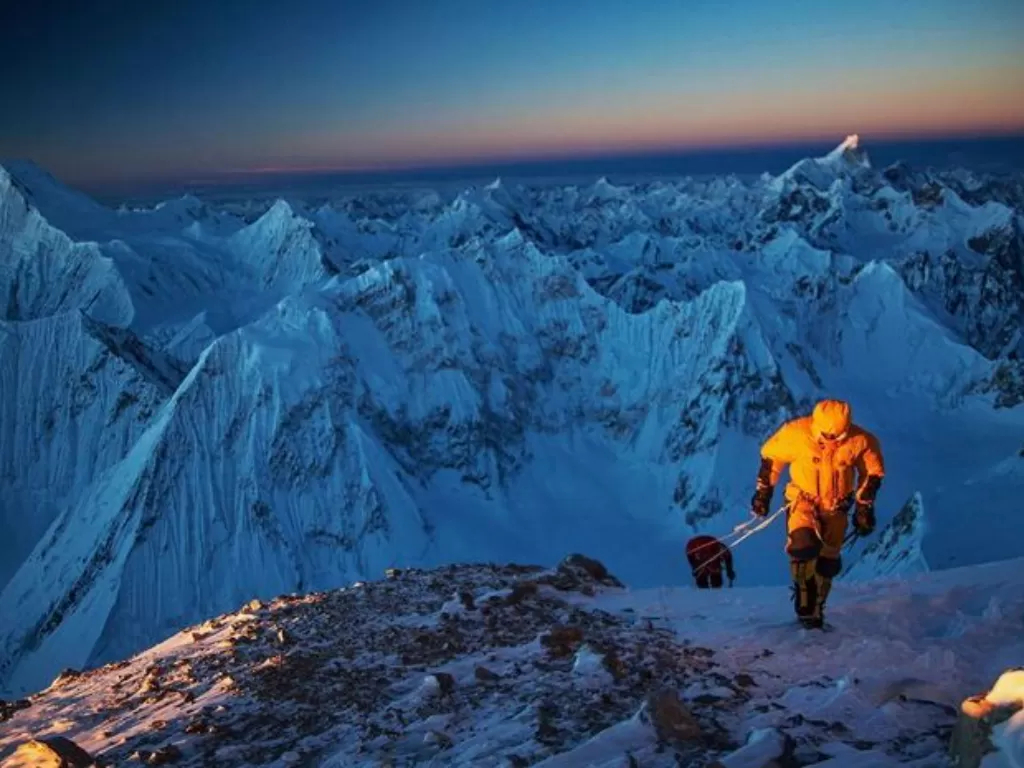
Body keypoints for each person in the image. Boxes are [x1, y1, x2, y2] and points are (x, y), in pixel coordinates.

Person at [750, 398, 884, 628]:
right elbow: (772, 457)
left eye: (837, 437)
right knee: (802, 544)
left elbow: (872, 472)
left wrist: (864, 506)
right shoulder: (797, 433)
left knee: (828, 562)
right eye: (825, 436)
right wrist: (764, 492)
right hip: (803, 499)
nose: (830, 440)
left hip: (836, 506)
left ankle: (817, 606)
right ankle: (804, 596)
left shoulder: (860, 441)